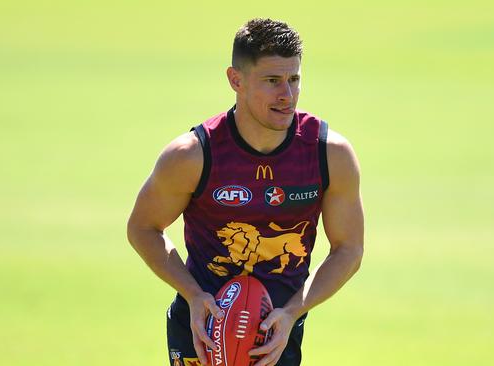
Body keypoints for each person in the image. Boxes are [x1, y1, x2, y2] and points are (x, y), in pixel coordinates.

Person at [127, 18, 364, 366]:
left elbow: (349, 249)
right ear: (235, 80)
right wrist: (193, 295)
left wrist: (293, 311)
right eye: (272, 81)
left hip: (275, 335)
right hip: (201, 332)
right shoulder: (192, 155)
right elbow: (143, 228)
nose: (288, 95)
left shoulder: (329, 153)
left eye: (294, 79)